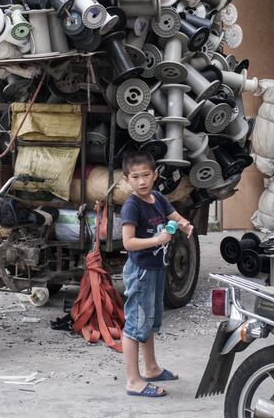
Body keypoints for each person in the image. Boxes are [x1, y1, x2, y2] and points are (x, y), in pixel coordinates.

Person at [120, 151, 194, 397]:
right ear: (127, 179)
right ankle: (133, 380)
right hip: (140, 271)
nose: (141, 181)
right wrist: (157, 239)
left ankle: (151, 368)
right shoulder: (132, 206)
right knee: (135, 324)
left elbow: (174, 216)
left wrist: (184, 224)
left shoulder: (158, 198)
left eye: (145, 175)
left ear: (155, 175)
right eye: (135, 176)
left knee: (149, 321)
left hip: (156, 269)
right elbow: (128, 243)